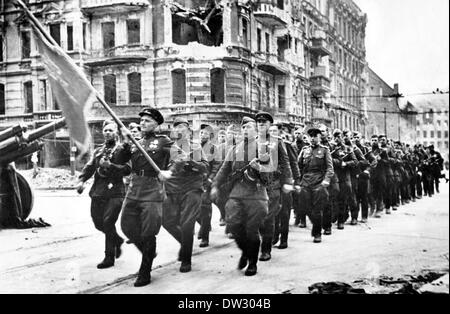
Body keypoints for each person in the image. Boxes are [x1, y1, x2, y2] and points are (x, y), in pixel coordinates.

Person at [211, 117, 274, 276]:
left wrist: (258, 166)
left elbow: (269, 176)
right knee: (233, 225)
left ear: (256, 130)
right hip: (237, 193)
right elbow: (224, 170)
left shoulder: (263, 148)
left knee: (252, 230)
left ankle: (252, 263)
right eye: (243, 127)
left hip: (256, 194)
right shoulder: (235, 149)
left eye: (249, 127)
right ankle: (246, 251)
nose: (245, 130)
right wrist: (215, 185)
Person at [120, 108, 173, 287]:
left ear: (157, 124)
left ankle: (145, 271)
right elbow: (120, 159)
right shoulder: (136, 141)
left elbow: (180, 157)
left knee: (149, 232)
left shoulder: (164, 141)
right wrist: (125, 142)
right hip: (134, 188)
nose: (143, 123)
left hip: (152, 190)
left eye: (147, 121)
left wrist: (169, 171)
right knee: (126, 226)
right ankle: (148, 252)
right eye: (141, 120)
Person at [76, 120, 131, 269]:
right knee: (98, 222)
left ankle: (109, 257)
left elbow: (127, 169)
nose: (107, 133)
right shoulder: (98, 151)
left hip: (115, 192)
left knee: (108, 222)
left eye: (111, 130)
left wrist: (111, 166)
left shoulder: (122, 150)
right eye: (105, 130)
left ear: (116, 133)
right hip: (99, 192)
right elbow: (89, 167)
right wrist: (81, 181)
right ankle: (117, 240)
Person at [162, 117, 208, 273]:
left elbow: (205, 167)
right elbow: (163, 168)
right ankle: (185, 243)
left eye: (182, 127)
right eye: (176, 128)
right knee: (167, 221)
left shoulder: (195, 147)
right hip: (172, 189)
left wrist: (190, 162)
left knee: (187, 224)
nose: (179, 130)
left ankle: (186, 259)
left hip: (191, 189)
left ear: (188, 131)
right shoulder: (169, 147)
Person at [255, 112, 292, 262]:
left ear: (269, 125)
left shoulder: (277, 141)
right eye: (259, 122)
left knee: (269, 218)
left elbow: (286, 163)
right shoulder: (252, 141)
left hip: (273, 184)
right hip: (256, 186)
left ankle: (266, 250)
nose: (261, 124)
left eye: (264, 122)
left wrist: (287, 182)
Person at [297, 126, 334, 243]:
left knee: (317, 209)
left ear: (319, 137)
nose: (312, 139)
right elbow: (298, 166)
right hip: (306, 182)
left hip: (319, 182)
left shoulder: (325, 150)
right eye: (311, 136)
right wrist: (298, 180)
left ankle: (317, 233)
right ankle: (319, 225)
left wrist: (326, 180)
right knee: (305, 207)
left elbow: (330, 168)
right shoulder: (304, 150)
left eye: (315, 136)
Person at [197, 123, 221, 248]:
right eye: (201, 133)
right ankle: (204, 226)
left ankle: (205, 237)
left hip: (207, 181)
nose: (202, 135)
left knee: (205, 208)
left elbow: (217, 166)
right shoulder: (194, 146)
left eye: (205, 133)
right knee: (195, 209)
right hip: (194, 182)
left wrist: (211, 179)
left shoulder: (213, 148)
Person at [330, 129, 357, 229]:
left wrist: (346, 163)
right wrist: (338, 162)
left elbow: (355, 161)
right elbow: (328, 160)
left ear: (343, 138)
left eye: (339, 136)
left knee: (343, 199)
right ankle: (335, 216)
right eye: (335, 136)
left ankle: (341, 221)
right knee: (334, 198)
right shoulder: (330, 148)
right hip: (334, 176)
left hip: (344, 177)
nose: (337, 138)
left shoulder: (348, 149)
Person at [291, 126, 309, 227]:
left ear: (303, 134)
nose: (297, 135)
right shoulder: (291, 145)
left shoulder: (307, 146)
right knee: (295, 197)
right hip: (295, 174)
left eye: (299, 133)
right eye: (296, 133)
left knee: (303, 197)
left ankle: (302, 220)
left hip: (304, 174)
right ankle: (297, 216)